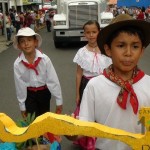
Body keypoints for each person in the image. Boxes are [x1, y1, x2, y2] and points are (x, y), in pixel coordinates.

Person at [67, 14, 150, 150]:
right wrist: (70, 132)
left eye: (135, 46)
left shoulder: (148, 84)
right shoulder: (94, 86)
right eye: (121, 45)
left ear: (142, 51)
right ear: (108, 49)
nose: (128, 53)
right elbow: (84, 127)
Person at [72, 20, 112, 149]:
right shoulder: (81, 52)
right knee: (87, 112)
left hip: (103, 86)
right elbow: (79, 73)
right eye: (88, 32)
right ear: (84, 34)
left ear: (99, 32)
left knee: (102, 111)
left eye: (94, 32)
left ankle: (103, 138)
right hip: (86, 85)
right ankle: (88, 140)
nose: (91, 35)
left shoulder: (107, 50)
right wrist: (77, 93)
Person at [13, 27, 63, 118]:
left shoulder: (44, 59)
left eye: (29, 40)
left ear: (35, 42)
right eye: (22, 41)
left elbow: (53, 80)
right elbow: (20, 86)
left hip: (44, 92)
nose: (26, 44)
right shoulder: (17, 64)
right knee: (32, 122)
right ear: (19, 45)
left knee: (44, 119)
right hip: (29, 95)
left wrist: (59, 100)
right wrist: (22, 106)